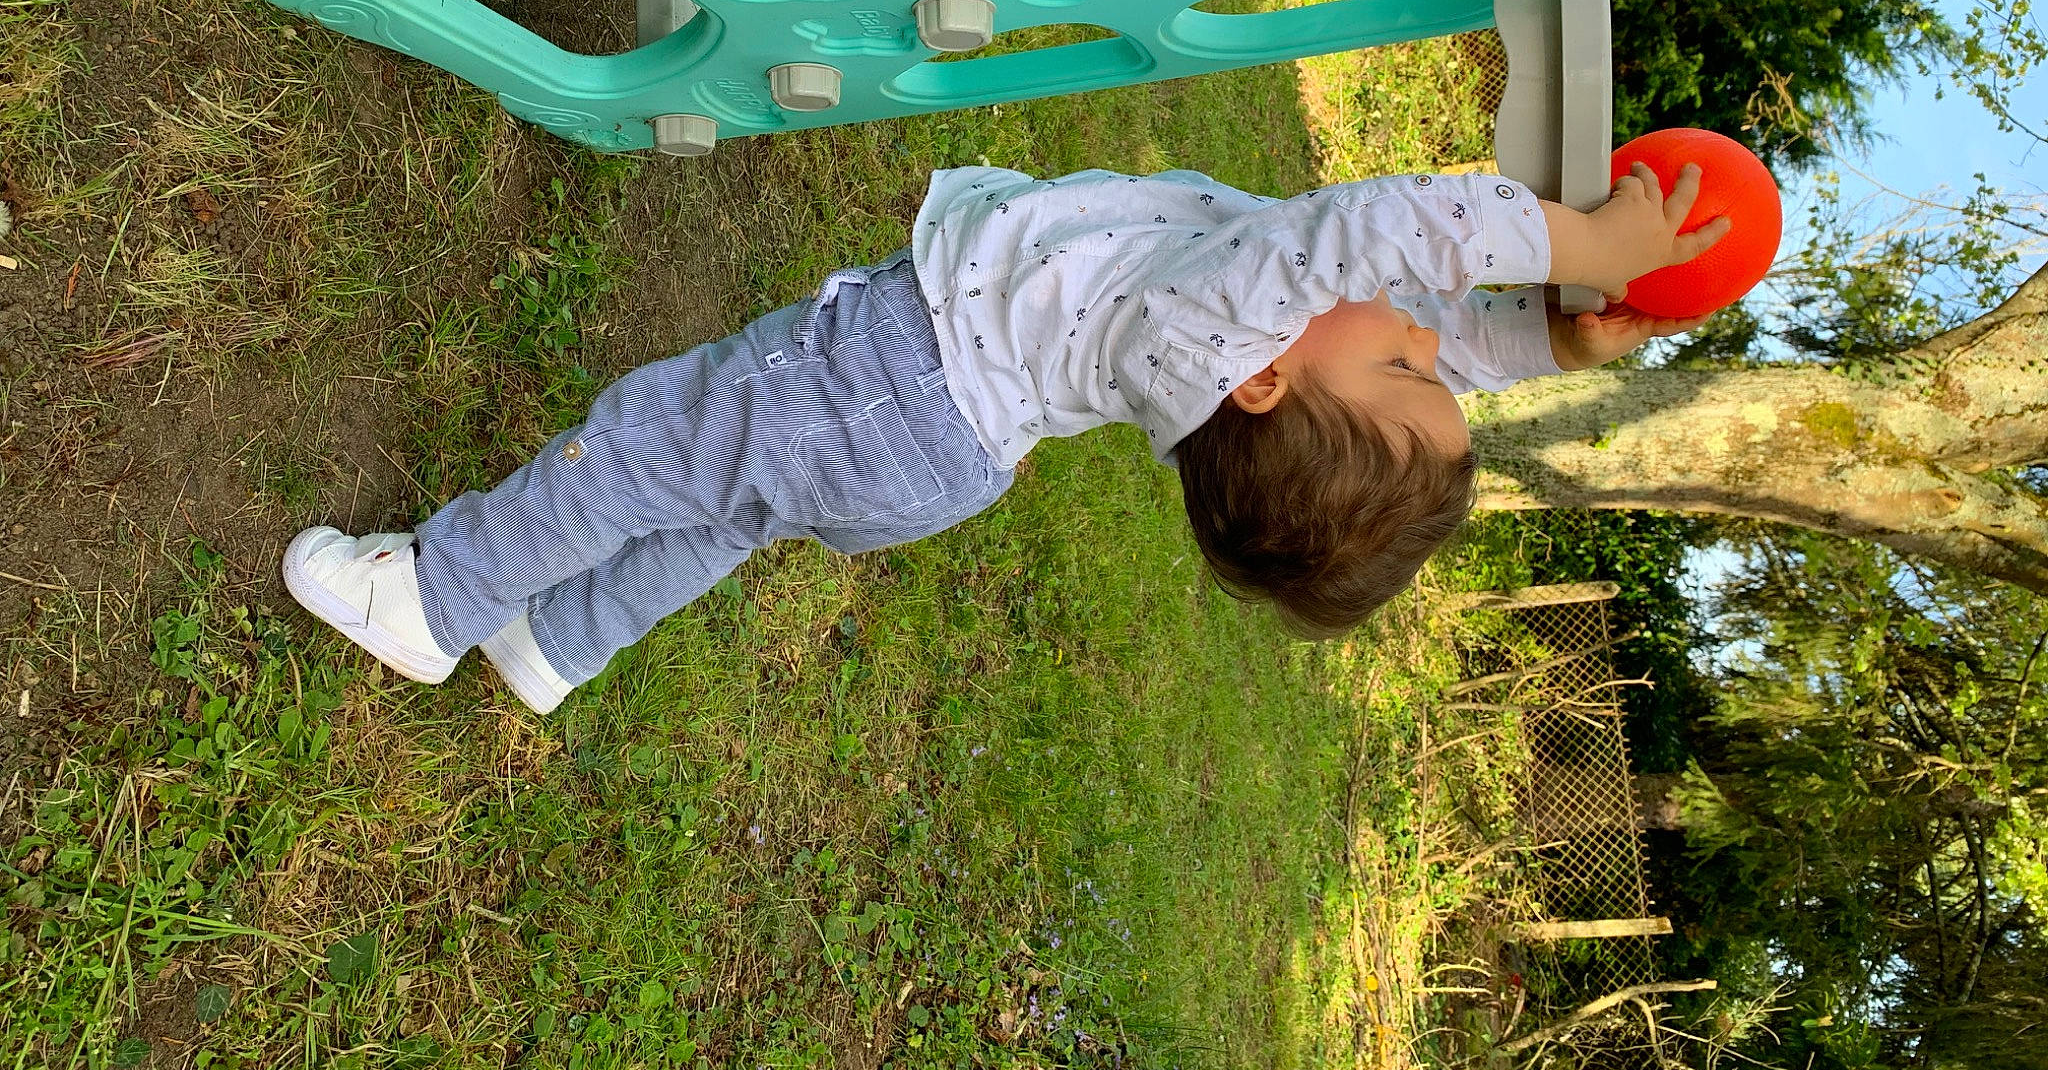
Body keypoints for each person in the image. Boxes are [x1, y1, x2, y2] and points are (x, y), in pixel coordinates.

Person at [282, 161, 1726, 713]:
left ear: (1279, 384)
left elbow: (1377, 228)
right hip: (939, 462)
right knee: (725, 515)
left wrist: (1581, 234)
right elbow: (1409, 301)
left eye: (1409, 358)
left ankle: (438, 597)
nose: (1421, 324)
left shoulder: (1235, 314)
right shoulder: (1232, 373)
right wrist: (1547, 337)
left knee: (659, 447)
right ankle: (559, 643)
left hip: (883, 385)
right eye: (1429, 356)